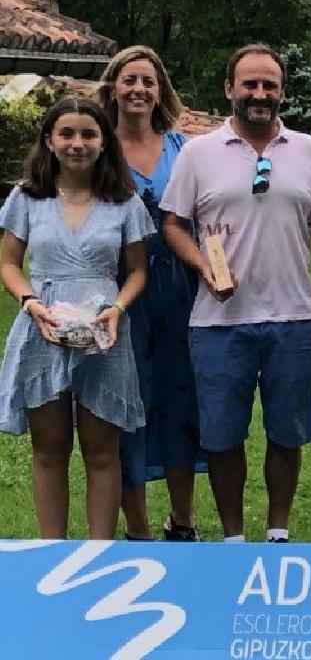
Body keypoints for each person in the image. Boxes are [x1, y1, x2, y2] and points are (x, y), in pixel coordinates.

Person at [161, 43, 311, 543]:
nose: (260, 94)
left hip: (293, 317)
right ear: (230, 89)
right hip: (218, 323)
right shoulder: (199, 153)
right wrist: (204, 266)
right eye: (250, 84)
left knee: (288, 431)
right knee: (222, 435)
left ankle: (278, 530)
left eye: (269, 85)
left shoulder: (309, 151)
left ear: (282, 91)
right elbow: (173, 224)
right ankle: (234, 537)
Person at [0, 97, 153, 539]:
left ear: (104, 142)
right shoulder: (27, 198)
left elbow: (139, 270)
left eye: (88, 134)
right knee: (49, 449)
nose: (77, 143)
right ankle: (54, 552)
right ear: (49, 140)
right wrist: (30, 302)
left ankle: (98, 551)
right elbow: (9, 263)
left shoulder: (123, 202)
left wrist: (117, 309)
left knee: (102, 449)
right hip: (42, 328)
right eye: (66, 133)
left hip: (103, 332)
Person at [99, 45, 206, 542]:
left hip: (183, 290)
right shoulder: (96, 147)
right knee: (127, 406)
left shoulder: (183, 148)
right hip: (120, 291)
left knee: (182, 400)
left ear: (160, 90)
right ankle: (137, 529)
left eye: (148, 81)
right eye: (130, 80)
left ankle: (182, 521)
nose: (139, 89)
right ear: (114, 87)